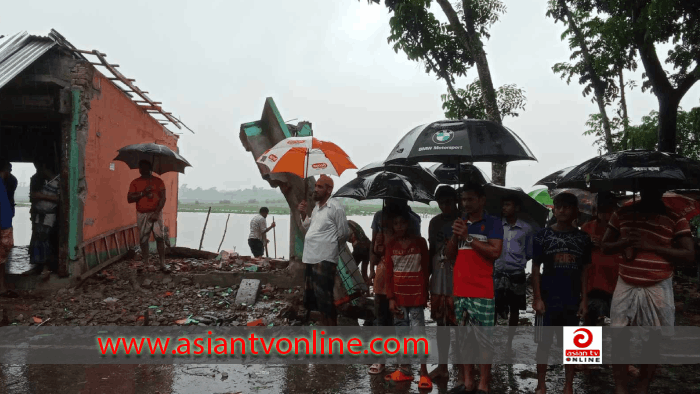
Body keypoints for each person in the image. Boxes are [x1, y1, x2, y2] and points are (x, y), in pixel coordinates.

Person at [602, 187, 695, 394]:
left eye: (653, 184)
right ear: (640, 186)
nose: (649, 189)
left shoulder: (675, 218)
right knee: (619, 337)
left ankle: (643, 386)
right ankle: (620, 388)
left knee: (653, 340)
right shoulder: (623, 213)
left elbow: (689, 255)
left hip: (658, 283)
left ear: (661, 188)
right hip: (626, 281)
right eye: (645, 184)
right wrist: (625, 242)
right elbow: (606, 246)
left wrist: (652, 246)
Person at [446, 183, 504, 394]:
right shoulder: (461, 223)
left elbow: (495, 252)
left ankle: (484, 385)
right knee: (464, 339)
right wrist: (456, 234)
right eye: (463, 199)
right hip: (461, 288)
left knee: (484, 341)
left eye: (470, 199)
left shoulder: (493, 223)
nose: (465, 203)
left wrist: (468, 237)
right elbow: (450, 255)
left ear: (481, 200)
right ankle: (468, 382)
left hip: (482, 289)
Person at [532, 192, 592, 394]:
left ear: (575, 211)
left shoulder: (583, 238)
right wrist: (537, 298)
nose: (562, 210)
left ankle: (569, 385)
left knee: (573, 345)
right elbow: (535, 268)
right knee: (543, 344)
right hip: (548, 299)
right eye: (558, 206)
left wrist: (585, 300)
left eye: (566, 207)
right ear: (553, 210)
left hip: (572, 299)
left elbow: (585, 270)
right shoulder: (543, 235)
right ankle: (541, 384)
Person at [383, 212, 431, 389]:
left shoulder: (420, 243)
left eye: (402, 222)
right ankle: (404, 369)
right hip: (399, 298)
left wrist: (425, 294)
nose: (399, 226)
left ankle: (424, 372)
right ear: (393, 226)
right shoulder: (391, 245)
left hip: (416, 296)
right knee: (401, 333)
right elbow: (388, 274)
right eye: (395, 223)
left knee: (419, 334)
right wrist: (390, 298)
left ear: (409, 224)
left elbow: (426, 270)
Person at [297, 175, 350, 326]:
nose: (316, 190)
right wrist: (302, 213)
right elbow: (308, 227)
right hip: (311, 258)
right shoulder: (316, 208)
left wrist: (330, 247)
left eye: (320, 187)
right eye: (315, 186)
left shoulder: (335, 207)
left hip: (324, 259)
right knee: (316, 301)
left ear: (329, 189)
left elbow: (344, 233)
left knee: (326, 301)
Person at [493, 194, 535, 356]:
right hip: (498, 272)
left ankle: (509, 343)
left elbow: (529, 252)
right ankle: (493, 340)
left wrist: (518, 261)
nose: (504, 208)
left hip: (516, 273)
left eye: (508, 204)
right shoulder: (496, 226)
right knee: (494, 308)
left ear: (517, 208)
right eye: (503, 205)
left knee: (515, 309)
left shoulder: (526, 229)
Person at [427, 185, 460, 381]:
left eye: (448, 202)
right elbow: (432, 249)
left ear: (455, 201)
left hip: (459, 278)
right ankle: (442, 366)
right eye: (441, 203)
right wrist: (428, 277)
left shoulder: (463, 220)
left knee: (461, 324)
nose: (444, 206)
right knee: (441, 324)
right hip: (439, 276)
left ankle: (465, 369)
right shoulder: (434, 222)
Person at [127, 160, 168, 281]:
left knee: (160, 238)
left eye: (146, 168)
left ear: (150, 169)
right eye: (142, 168)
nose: (144, 170)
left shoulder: (158, 181)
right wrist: (143, 193)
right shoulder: (135, 182)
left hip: (156, 214)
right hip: (142, 214)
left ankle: (162, 263)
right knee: (143, 239)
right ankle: (146, 263)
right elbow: (129, 198)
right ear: (139, 169)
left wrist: (156, 213)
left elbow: (163, 198)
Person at [27, 161, 60, 279]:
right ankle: (38, 266)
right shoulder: (38, 180)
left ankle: (46, 268)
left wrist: (41, 196)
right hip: (38, 215)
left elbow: (61, 198)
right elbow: (32, 196)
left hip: (48, 216)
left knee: (44, 240)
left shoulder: (59, 181)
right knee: (36, 240)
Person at [0, 163, 14, 295]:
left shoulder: (5, 183)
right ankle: (2, 287)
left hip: (5, 223)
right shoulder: (4, 182)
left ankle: (2, 286)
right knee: (2, 257)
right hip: (4, 224)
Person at [347, 220, 371, 286]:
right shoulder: (350, 222)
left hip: (359, 248)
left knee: (350, 269)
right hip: (368, 246)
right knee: (364, 273)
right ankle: (367, 291)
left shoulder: (343, 227)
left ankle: (355, 288)